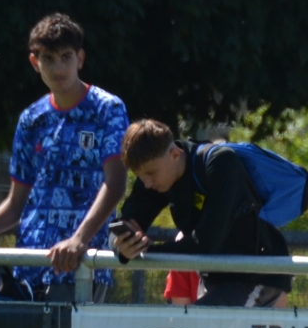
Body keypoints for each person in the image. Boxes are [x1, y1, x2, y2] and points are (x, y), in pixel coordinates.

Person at [0, 14, 127, 301]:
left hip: (80, 267)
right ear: (35, 63)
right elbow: (16, 202)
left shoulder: (108, 109)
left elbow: (115, 184)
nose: (58, 67)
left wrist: (78, 240)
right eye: (48, 58)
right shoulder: (31, 119)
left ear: (80, 59)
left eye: (66, 57)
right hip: (29, 269)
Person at [109, 120, 293, 307]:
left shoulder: (221, 162)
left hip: (259, 277)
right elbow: (124, 224)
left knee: (192, 327)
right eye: (141, 176)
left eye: (151, 174)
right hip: (216, 279)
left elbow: (206, 243)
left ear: (175, 155)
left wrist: (149, 251)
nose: (147, 184)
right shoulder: (154, 174)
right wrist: (122, 248)